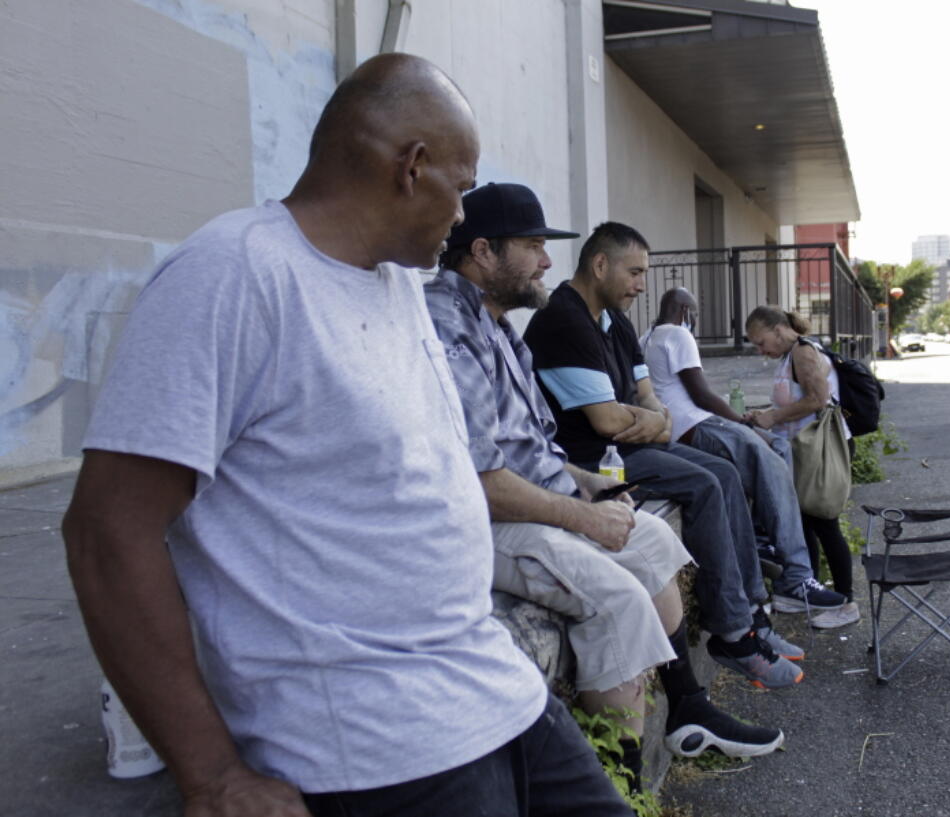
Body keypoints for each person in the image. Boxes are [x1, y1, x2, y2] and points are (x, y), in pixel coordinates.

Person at [62, 55, 632, 817]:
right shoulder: (234, 275)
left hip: (494, 691)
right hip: (375, 753)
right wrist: (211, 775)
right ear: (411, 167)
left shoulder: (397, 283)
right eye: (460, 189)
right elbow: (107, 531)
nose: (464, 216)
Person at [424, 183, 784, 777]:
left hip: (539, 496)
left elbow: (535, 450)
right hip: (487, 520)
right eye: (534, 245)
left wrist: (588, 487)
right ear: (483, 251)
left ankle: (687, 707)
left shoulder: (499, 325)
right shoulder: (447, 322)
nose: (545, 261)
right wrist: (583, 514)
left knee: (653, 540)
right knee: (618, 603)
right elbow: (479, 478)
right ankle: (624, 782)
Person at [523, 223, 808, 691]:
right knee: (704, 484)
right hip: (593, 460)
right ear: (599, 265)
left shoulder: (615, 321)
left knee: (724, 470)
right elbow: (607, 423)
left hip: (632, 445)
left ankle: (753, 612)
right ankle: (733, 635)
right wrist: (651, 420)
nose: (641, 284)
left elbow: (650, 400)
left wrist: (651, 420)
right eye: (634, 272)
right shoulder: (562, 320)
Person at [639, 287, 845, 616]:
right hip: (696, 423)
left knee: (775, 448)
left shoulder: (646, 337)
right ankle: (796, 575)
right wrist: (741, 423)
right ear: (687, 313)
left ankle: (766, 535)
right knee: (770, 461)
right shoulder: (678, 335)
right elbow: (701, 394)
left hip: (676, 428)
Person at [743, 306, 861, 630]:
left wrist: (773, 417)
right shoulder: (789, 355)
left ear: (778, 330)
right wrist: (765, 412)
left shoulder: (803, 352)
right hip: (803, 450)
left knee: (824, 521)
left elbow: (818, 399)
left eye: (761, 341)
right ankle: (809, 591)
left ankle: (847, 602)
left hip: (819, 450)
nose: (760, 350)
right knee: (804, 523)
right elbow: (794, 400)